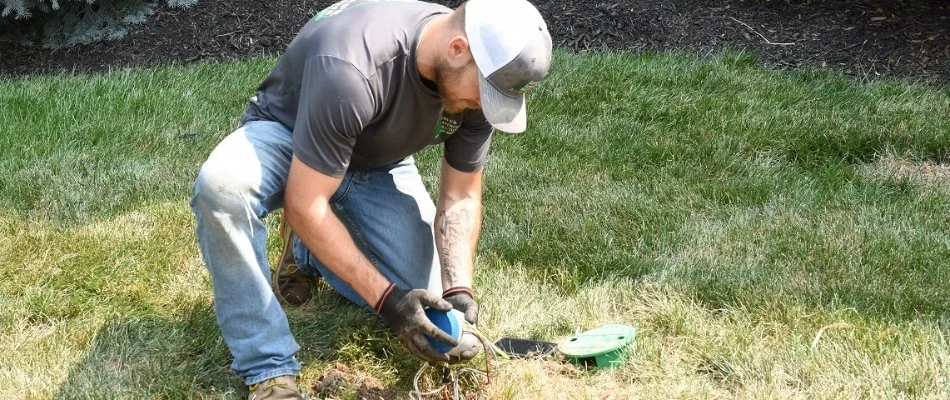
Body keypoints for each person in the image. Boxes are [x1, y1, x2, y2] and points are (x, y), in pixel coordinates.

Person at [190, 0, 552, 398]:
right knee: (221, 188)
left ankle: (311, 248)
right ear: (457, 49)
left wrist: (458, 290)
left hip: (377, 159)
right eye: (485, 93)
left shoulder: (479, 78)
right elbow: (306, 203)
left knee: (428, 307)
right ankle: (268, 366)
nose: (484, 106)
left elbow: (461, 195)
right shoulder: (354, 65)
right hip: (290, 140)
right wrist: (387, 301)